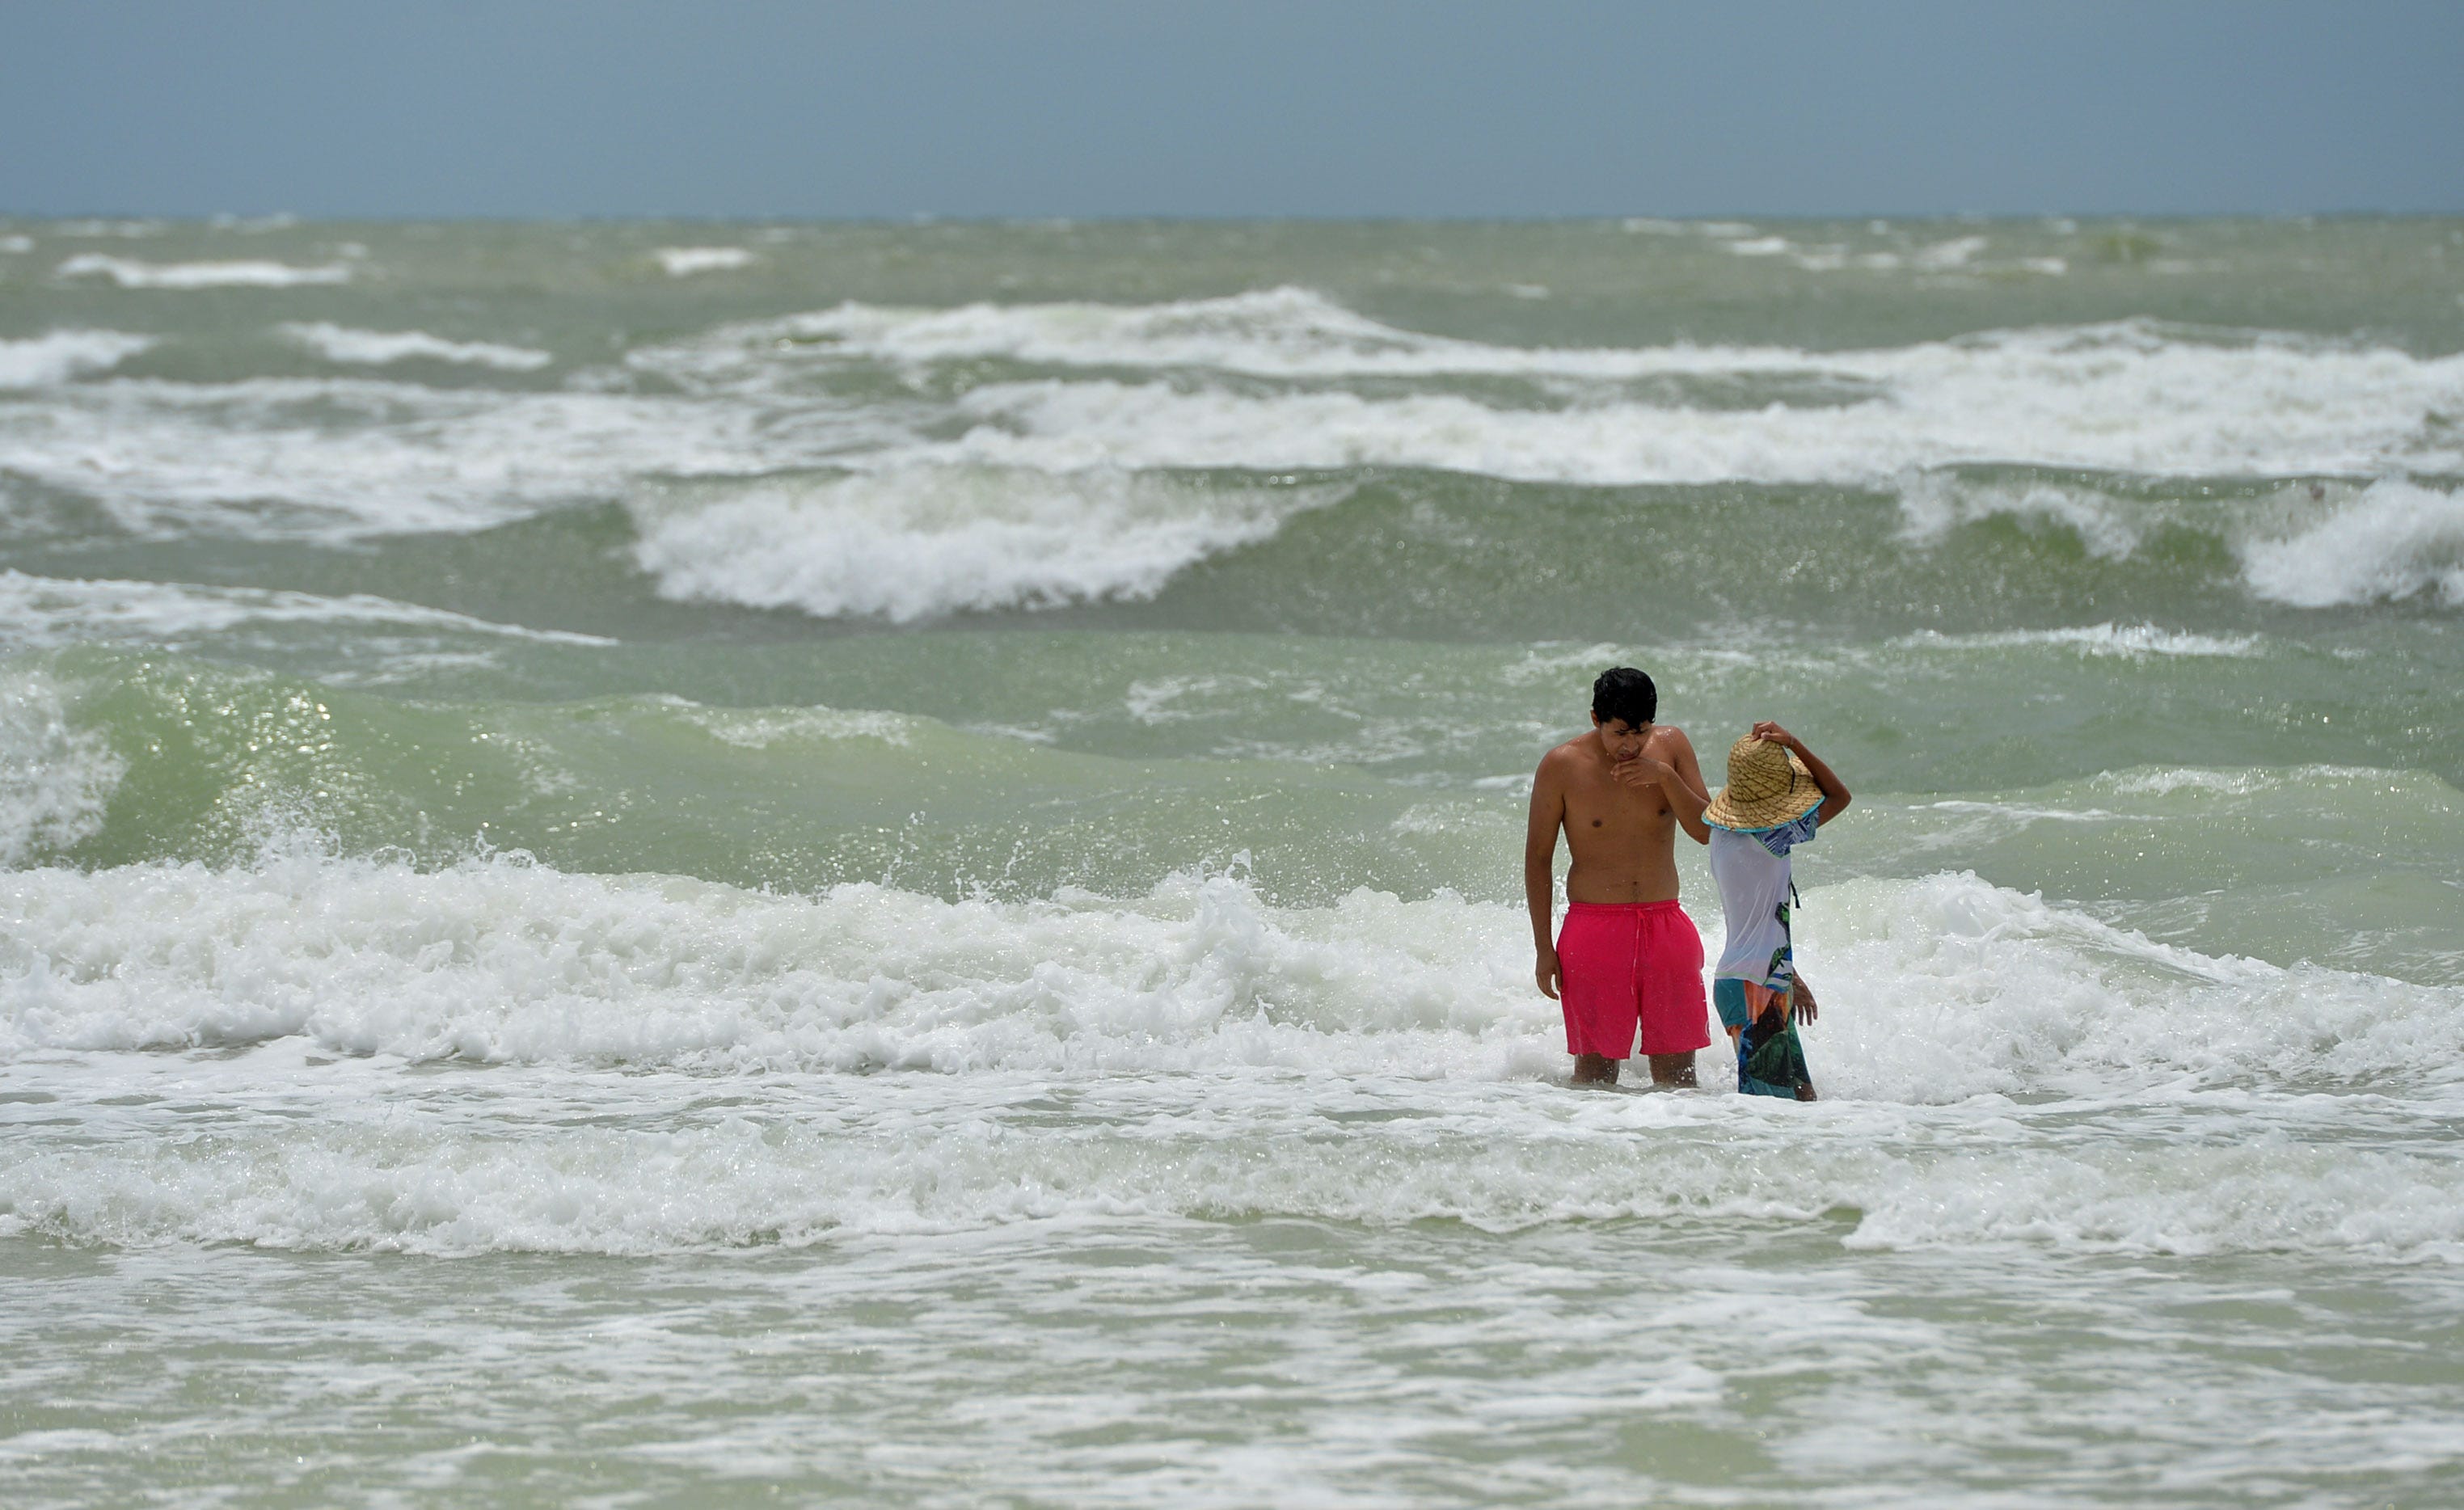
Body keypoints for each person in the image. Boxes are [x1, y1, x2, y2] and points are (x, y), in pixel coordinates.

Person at [1525, 668, 1714, 1086]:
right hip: (1594, 931)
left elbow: (1705, 831)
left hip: (1666, 925)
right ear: (1596, 719)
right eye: (1619, 733)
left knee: (1679, 1078)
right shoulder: (1562, 765)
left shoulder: (1672, 746)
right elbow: (1538, 859)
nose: (1630, 745)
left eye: (1641, 733)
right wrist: (1543, 948)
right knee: (1594, 1078)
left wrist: (1665, 777)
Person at [1701, 723, 1851, 1101]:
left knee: (1801, 1096)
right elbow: (1839, 796)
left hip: (1753, 978)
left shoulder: (1720, 836)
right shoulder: (1774, 837)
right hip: (1756, 987)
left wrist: (1791, 978)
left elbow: (1757, 918)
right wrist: (1795, 744)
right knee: (1774, 1112)